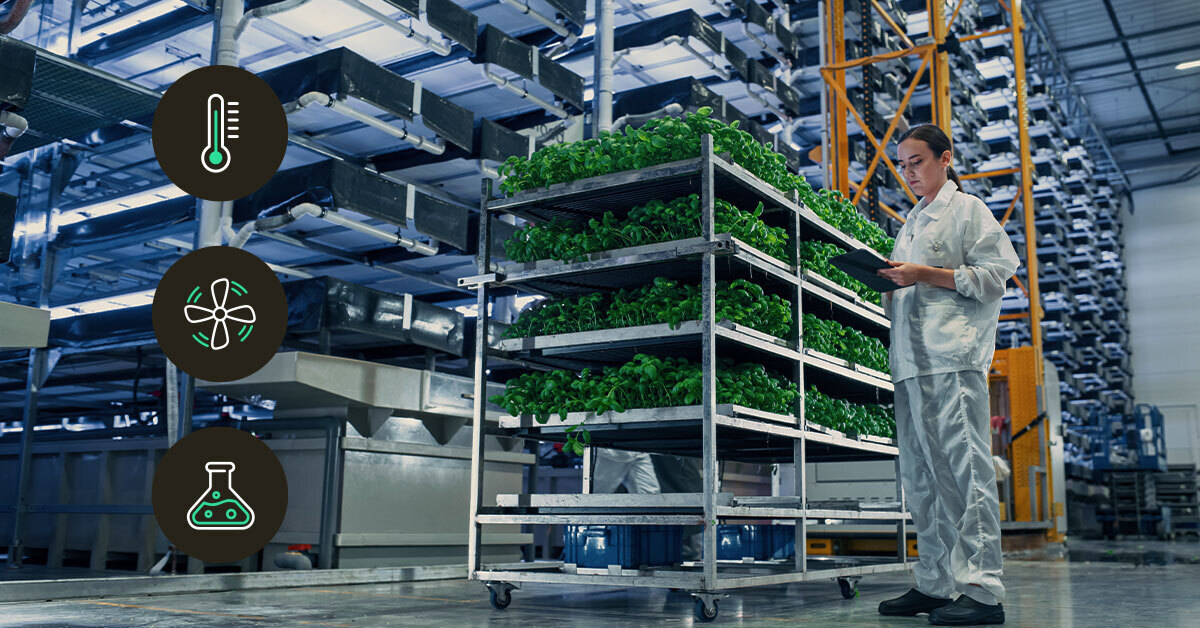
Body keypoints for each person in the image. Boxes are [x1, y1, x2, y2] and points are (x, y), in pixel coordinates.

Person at [874, 124, 1019, 626]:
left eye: (916, 161)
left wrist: (921, 275)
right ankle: (936, 582)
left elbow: (997, 274)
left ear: (945, 158)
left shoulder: (967, 211)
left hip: (952, 360)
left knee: (966, 473)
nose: (908, 172)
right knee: (921, 478)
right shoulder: (911, 223)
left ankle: (981, 590)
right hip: (911, 365)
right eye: (902, 164)